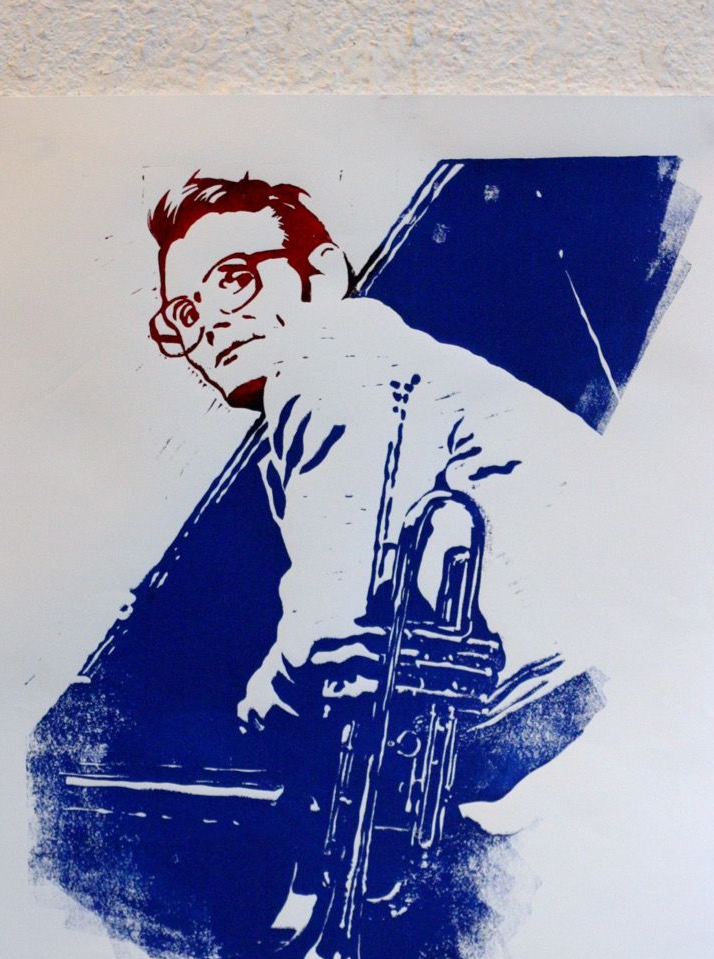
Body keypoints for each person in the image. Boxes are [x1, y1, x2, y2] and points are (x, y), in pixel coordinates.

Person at [148, 173, 606, 837]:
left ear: (321, 275)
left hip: (566, 715)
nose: (211, 323)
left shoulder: (330, 361)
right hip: (579, 709)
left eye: (234, 280)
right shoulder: (377, 364)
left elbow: (333, 618)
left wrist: (256, 713)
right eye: (185, 315)